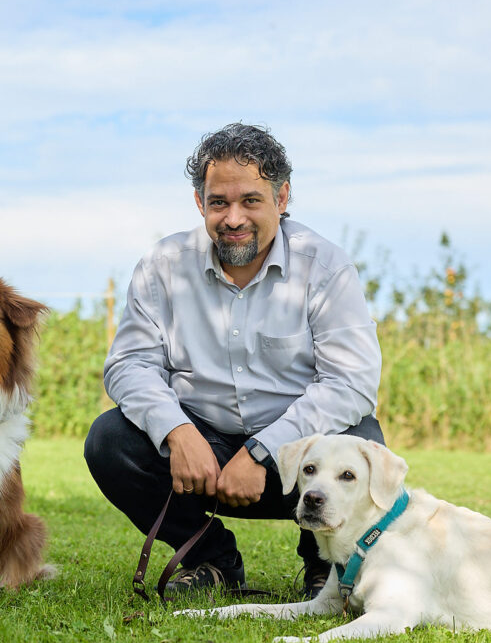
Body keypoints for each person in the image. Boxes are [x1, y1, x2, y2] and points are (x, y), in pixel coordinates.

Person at [84, 123, 384, 597]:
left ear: (282, 197)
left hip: (297, 456)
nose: (233, 218)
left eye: (251, 200)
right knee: (110, 440)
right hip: (200, 451)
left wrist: (263, 450)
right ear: (199, 202)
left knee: (362, 439)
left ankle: (325, 565)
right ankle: (211, 558)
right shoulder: (162, 266)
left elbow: (351, 383)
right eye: (219, 202)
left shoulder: (326, 267)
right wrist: (177, 431)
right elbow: (129, 364)